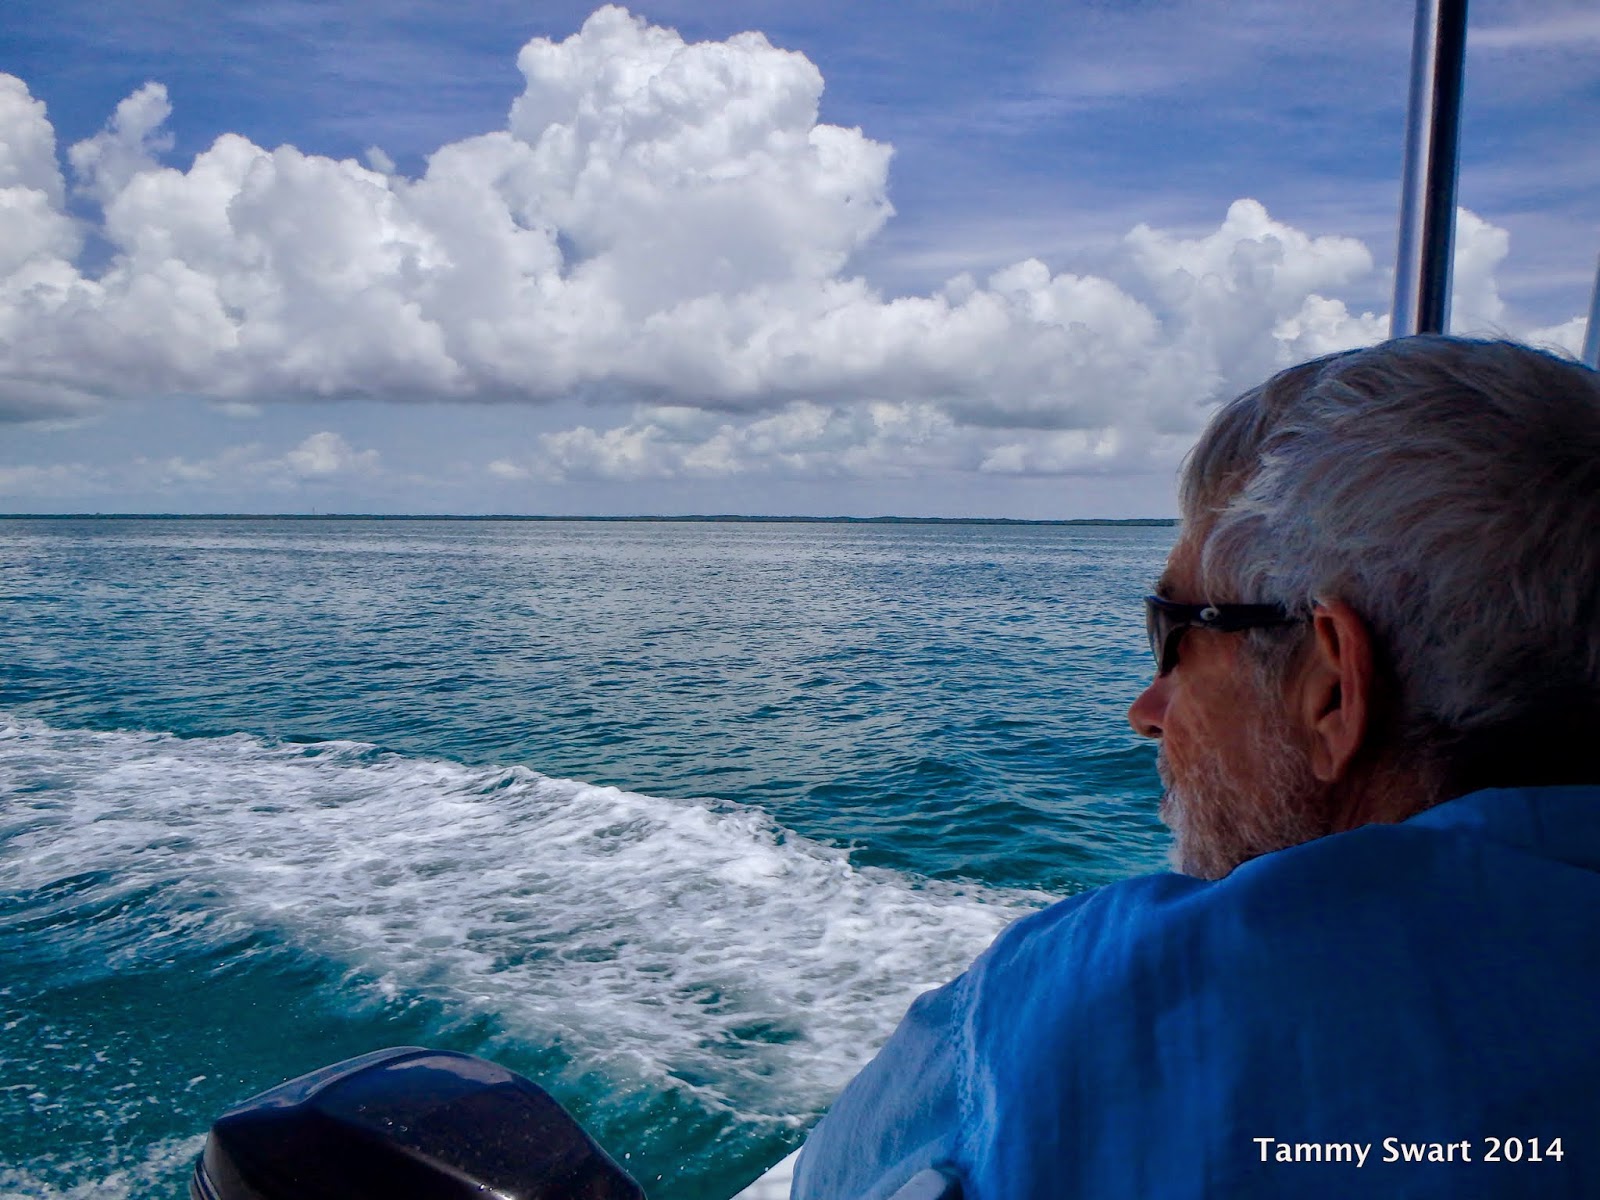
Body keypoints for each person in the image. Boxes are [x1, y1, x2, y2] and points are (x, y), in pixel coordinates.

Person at [789, 336, 1600, 1199]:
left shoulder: (1088, 1013)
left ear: (1332, 685)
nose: (1146, 711)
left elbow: (829, 1181)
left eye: (1175, 634)